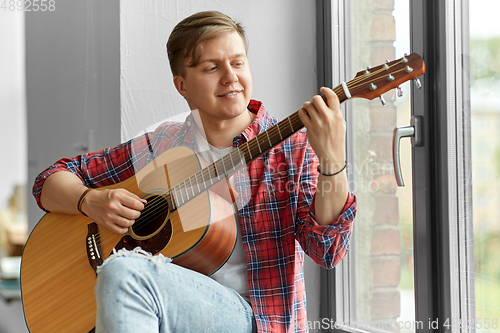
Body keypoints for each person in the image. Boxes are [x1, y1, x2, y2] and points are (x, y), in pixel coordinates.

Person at [33, 10, 356, 333]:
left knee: (123, 272)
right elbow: (50, 180)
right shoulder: (163, 143)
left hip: (257, 320)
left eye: (238, 62)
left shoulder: (292, 148)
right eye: (212, 67)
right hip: (169, 314)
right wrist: (88, 200)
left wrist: (332, 160)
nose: (230, 77)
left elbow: (327, 251)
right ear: (182, 85)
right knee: (124, 271)